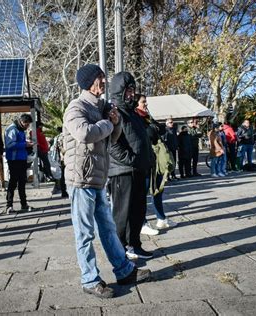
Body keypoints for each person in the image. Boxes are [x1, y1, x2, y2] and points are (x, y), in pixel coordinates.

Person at [63, 64, 150, 298]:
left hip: (98, 178)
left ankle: (124, 271)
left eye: (103, 77)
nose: (104, 81)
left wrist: (116, 122)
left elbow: (112, 138)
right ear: (89, 82)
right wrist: (109, 122)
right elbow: (85, 134)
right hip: (81, 180)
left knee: (109, 229)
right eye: (100, 78)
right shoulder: (76, 107)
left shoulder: (104, 106)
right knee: (84, 233)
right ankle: (90, 280)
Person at [109, 71, 155, 260]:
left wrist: (148, 159)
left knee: (138, 211)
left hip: (138, 170)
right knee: (122, 214)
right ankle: (121, 250)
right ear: (120, 91)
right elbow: (112, 144)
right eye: (128, 91)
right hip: (123, 171)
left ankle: (134, 244)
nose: (131, 94)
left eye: (133, 90)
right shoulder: (115, 112)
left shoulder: (133, 113)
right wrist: (131, 159)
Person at [135, 94, 177, 232]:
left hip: (155, 159)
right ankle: (142, 223)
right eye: (143, 102)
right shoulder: (135, 118)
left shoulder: (147, 117)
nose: (146, 104)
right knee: (143, 192)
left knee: (158, 188)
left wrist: (155, 127)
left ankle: (161, 219)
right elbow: (150, 134)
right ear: (136, 104)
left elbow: (162, 129)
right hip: (144, 159)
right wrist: (155, 128)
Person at [4, 114, 33, 214]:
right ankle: (9, 205)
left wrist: (26, 142)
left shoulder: (21, 129)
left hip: (22, 158)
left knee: (22, 182)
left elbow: (19, 141)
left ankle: (24, 204)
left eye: (28, 125)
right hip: (14, 159)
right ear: (22, 121)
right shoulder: (12, 129)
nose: (27, 126)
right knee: (13, 182)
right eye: (26, 124)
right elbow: (10, 144)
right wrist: (25, 144)